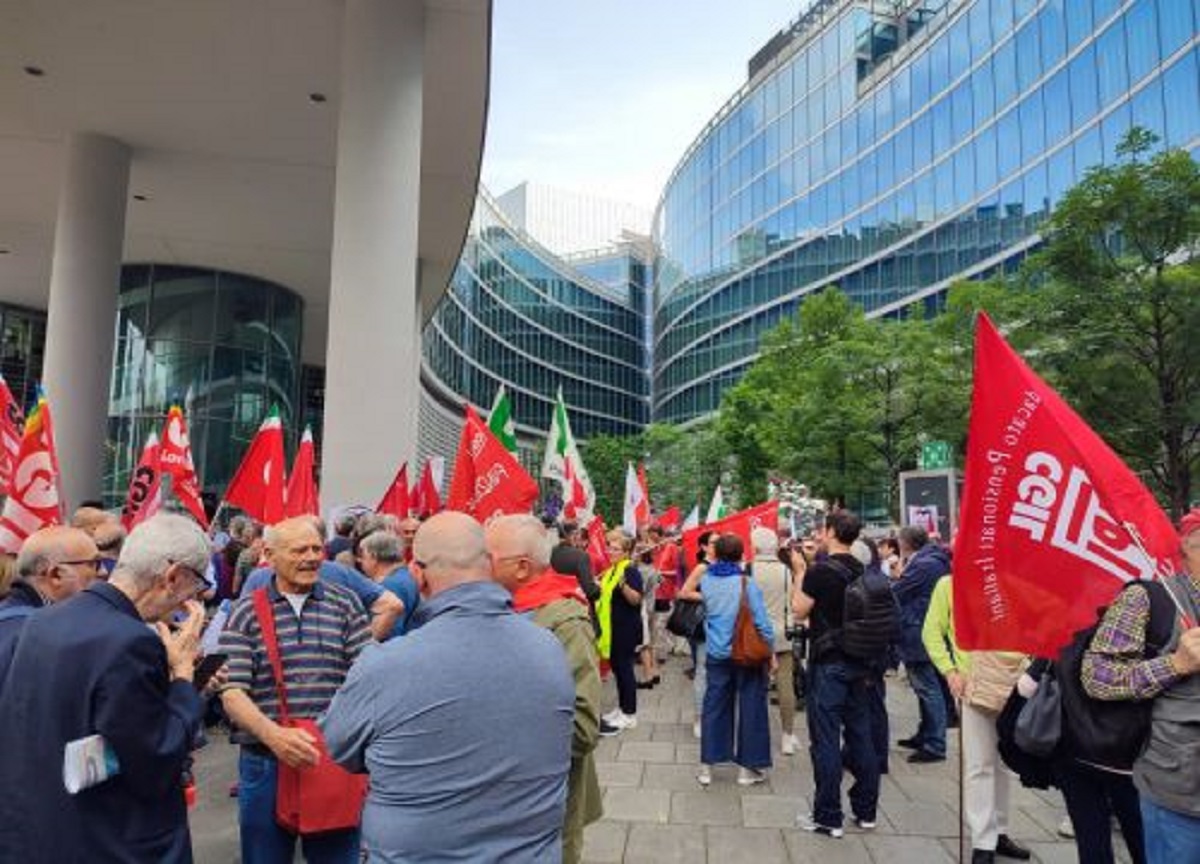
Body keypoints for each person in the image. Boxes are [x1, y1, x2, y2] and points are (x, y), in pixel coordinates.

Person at [322, 512, 574, 863]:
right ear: (487, 566)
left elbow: (340, 747)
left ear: (418, 575)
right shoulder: (549, 648)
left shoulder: (385, 665)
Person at [0, 514, 210, 862]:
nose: (189, 604)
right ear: (173, 577)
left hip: (42, 833)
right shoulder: (131, 641)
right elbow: (158, 759)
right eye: (195, 588)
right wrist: (184, 677)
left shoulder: (41, 621)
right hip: (110, 841)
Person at [219, 517, 372, 864]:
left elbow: (367, 681)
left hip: (334, 761)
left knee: (338, 857)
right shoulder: (246, 612)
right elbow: (232, 691)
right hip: (265, 762)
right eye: (299, 549)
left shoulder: (345, 604)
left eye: (317, 548)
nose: (312, 556)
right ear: (269, 555)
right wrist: (274, 736)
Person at [1082, 508, 1200, 863]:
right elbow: (1097, 675)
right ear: (1191, 548)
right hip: (1179, 793)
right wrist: (1175, 664)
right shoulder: (1150, 598)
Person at [485, 515, 602, 864]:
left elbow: (581, 728)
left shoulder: (565, 622)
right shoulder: (494, 610)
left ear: (522, 567)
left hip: (545, 808)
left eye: (485, 558)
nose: (474, 567)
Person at [924, 574, 1031, 863]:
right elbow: (932, 631)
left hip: (1016, 686)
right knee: (980, 764)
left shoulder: (1018, 582)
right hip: (974, 685)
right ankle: (984, 839)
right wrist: (950, 671)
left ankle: (999, 830)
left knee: (1003, 765)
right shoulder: (950, 584)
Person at [792, 510, 880, 838]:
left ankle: (828, 816)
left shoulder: (820, 572)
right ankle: (866, 811)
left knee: (826, 739)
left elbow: (799, 610)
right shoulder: (867, 570)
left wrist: (801, 572)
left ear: (830, 532)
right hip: (861, 662)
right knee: (860, 735)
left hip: (828, 662)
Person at [694, 533, 775, 787]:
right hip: (746, 654)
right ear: (741, 555)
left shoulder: (706, 581)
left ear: (715, 554)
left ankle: (707, 767)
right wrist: (770, 652)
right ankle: (747, 769)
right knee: (752, 707)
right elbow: (762, 622)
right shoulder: (746, 583)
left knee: (713, 706)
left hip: (716, 653)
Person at [0, 526, 100, 673]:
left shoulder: (11, 618)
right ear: (56, 575)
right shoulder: (42, 636)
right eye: (93, 563)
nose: (103, 571)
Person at [893, 525, 951, 763]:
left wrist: (897, 578)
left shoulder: (924, 564)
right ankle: (926, 733)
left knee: (927, 688)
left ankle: (935, 743)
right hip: (922, 627)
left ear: (906, 543)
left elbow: (899, 591)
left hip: (919, 630)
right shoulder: (930, 560)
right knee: (924, 687)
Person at [749, 527, 802, 755]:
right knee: (785, 684)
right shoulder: (784, 570)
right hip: (781, 632)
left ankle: (754, 733)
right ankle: (788, 736)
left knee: (754, 684)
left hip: (754, 634)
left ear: (755, 546)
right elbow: (790, 603)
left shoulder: (749, 569)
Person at [595, 530, 644, 735]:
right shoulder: (612, 570)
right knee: (618, 671)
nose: (610, 551)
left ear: (626, 552)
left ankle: (630, 715)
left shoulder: (630, 571)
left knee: (625, 672)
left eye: (615, 549)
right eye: (610, 547)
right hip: (612, 630)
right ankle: (621, 709)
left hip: (625, 630)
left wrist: (623, 585)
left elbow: (636, 599)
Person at [358, 529, 419, 637]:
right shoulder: (405, 577)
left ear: (374, 557)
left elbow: (390, 633)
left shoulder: (391, 586)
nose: (360, 561)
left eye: (363, 556)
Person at [551, 520, 601, 630]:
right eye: (577, 534)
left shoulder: (550, 553)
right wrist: (598, 587)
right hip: (578, 611)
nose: (579, 537)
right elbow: (591, 591)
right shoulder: (580, 556)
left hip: (554, 609)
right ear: (573, 535)